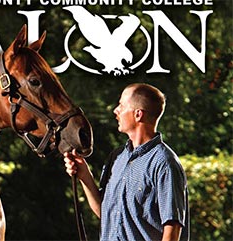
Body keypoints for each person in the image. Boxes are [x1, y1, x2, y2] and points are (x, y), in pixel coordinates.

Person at [64, 83, 189, 241]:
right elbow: (106, 214)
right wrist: (84, 175)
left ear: (138, 114)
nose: (115, 110)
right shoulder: (116, 157)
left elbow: (172, 230)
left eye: (122, 106)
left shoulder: (164, 164)